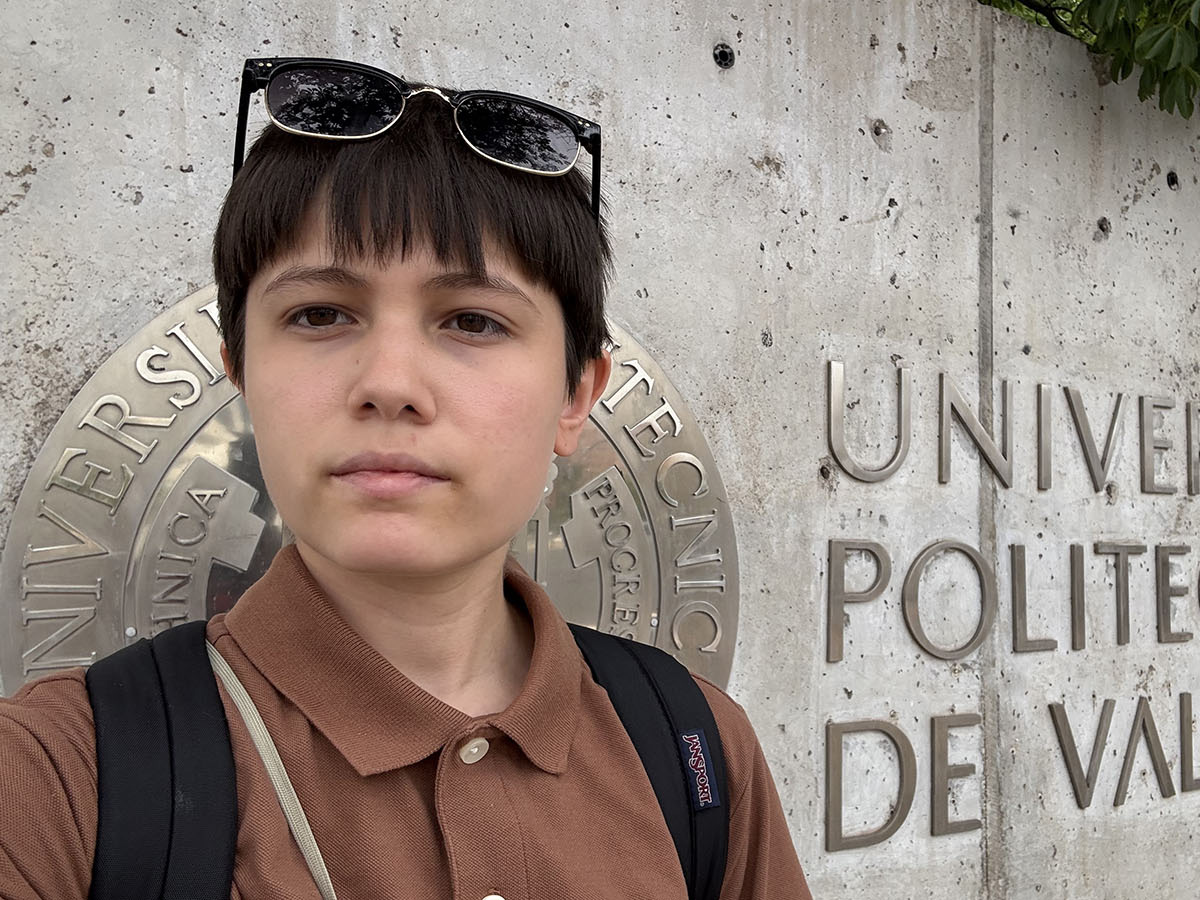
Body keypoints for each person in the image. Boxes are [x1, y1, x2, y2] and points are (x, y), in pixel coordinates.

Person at [0, 58, 811, 900]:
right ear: (240, 367)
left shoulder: (699, 754)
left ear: (575, 396)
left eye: (471, 320)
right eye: (320, 314)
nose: (389, 381)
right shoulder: (59, 780)